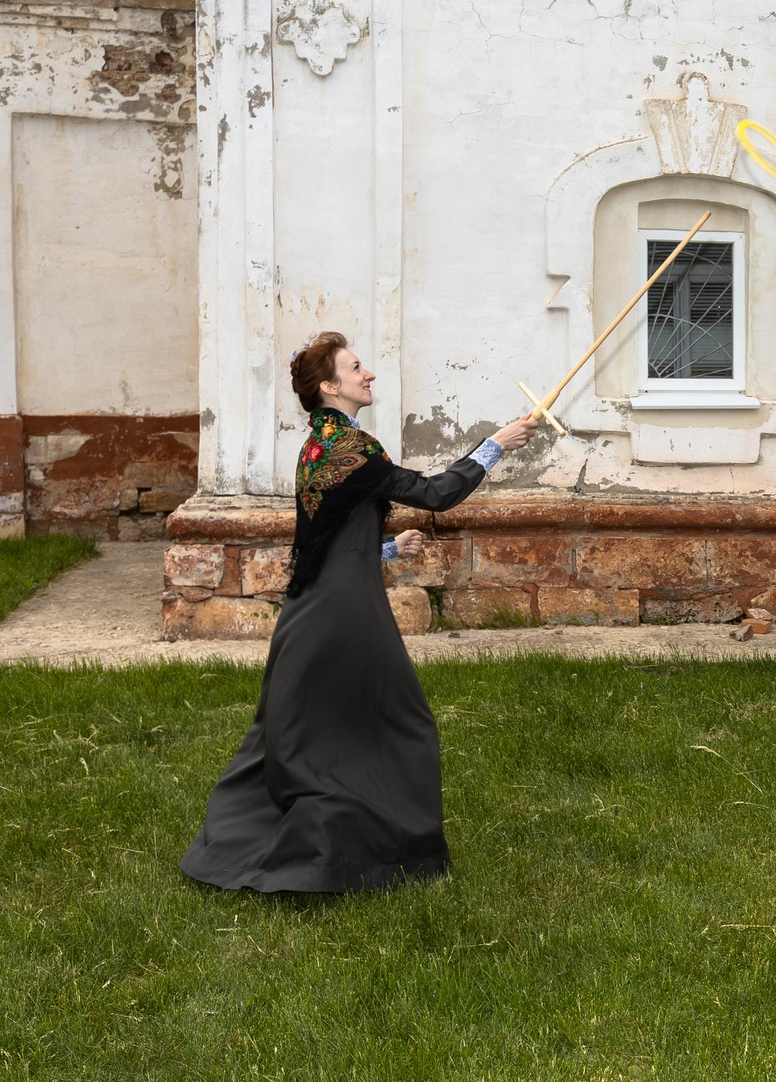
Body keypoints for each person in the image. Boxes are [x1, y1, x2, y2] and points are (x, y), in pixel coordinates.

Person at [181, 334, 536, 894]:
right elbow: (436, 492)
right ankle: (377, 855)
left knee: (309, 730)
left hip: (317, 602)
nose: (368, 374)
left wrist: (390, 550)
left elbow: (323, 538)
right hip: (344, 610)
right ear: (330, 386)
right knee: (399, 723)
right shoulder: (350, 450)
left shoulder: (321, 445)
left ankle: (340, 844)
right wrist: (495, 445)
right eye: (355, 367)